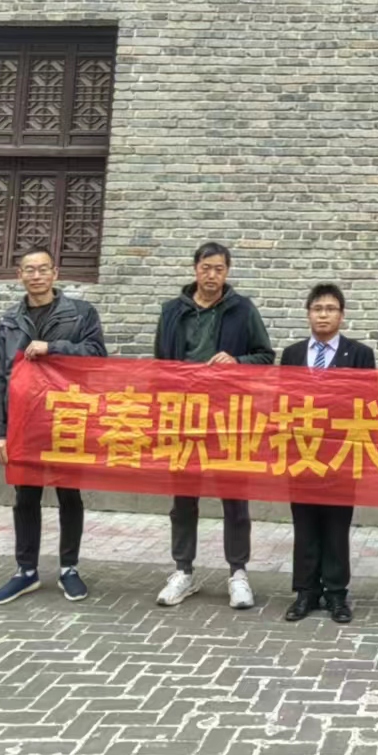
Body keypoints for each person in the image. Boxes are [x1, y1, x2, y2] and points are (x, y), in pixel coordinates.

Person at [153, 242, 274, 610]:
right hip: (184, 417)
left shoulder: (242, 310)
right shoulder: (172, 312)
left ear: (227, 272)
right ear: (195, 269)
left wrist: (237, 362)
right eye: (206, 268)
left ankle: (238, 572)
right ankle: (183, 571)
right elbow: (160, 364)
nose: (211, 275)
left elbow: (266, 356)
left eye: (219, 269)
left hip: (228, 418)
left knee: (234, 498)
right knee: (183, 499)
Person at [0, 245, 107, 605]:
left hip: (67, 417)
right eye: (29, 270)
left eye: (43, 269)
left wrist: (53, 347)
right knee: (26, 496)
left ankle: (69, 568)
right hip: (24, 422)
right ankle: (26, 571)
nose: (36, 276)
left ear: (55, 273)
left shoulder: (80, 313)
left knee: (69, 493)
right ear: (19, 275)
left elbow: (97, 356)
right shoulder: (9, 322)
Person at [280, 283, 376, 624]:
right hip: (302, 454)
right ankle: (306, 592)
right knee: (304, 524)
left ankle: (336, 594)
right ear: (308, 314)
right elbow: (282, 403)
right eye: (317, 309)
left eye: (331, 309)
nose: (324, 315)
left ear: (342, 315)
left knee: (336, 526)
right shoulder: (292, 355)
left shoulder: (360, 354)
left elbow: (370, 404)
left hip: (341, 454)